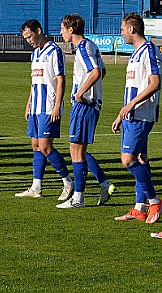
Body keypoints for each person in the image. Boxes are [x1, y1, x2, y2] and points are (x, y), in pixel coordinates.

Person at [57, 13, 115, 208]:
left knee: (77, 149)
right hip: (90, 103)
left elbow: (96, 72)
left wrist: (81, 92)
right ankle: (103, 184)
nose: (61, 32)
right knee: (76, 148)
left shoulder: (82, 48)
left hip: (85, 104)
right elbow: (103, 71)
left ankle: (78, 198)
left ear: (71, 29)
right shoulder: (91, 45)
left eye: (63, 28)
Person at [111, 13, 162, 225]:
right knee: (141, 158)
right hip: (131, 115)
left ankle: (154, 202)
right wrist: (121, 114)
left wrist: (131, 105)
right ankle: (140, 208)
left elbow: (155, 82)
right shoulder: (134, 54)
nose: (121, 33)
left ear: (132, 29)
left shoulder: (149, 50)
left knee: (128, 159)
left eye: (123, 29)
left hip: (141, 114)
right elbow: (132, 89)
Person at [15, 19, 74, 200]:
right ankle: (36, 187)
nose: (28, 40)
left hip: (49, 106)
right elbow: (34, 82)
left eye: (30, 36)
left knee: (45, 146)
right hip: (35, 107)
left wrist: (57, 105)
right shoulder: (35, 54)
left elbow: (61, 80)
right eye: (25, 38)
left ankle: (68, 182)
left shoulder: (54, 51)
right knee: (35, 145)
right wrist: (28, 104)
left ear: (38, 30)